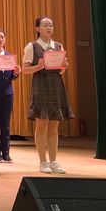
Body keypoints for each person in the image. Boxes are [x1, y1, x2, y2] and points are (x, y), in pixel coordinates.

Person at [22, 16, 73, 174]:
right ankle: (42, 162)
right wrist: (38, 66)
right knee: (42, 124)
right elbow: (25, 70)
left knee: (54, 125)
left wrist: (64, 66)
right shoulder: (32, 46)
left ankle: (54, 161)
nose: (49, 28)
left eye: (51, 25)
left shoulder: (58, 46)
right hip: (41, 85)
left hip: (56, 85)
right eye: (45, 25)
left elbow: (60, 71)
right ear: (37, 28)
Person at [0, 29, 21, 163]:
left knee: (5, 124)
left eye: (2, 37)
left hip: (7, 93)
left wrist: (16, 72)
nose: (0, 40)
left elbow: (12, 76)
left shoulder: (9, 56)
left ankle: (6, 153)